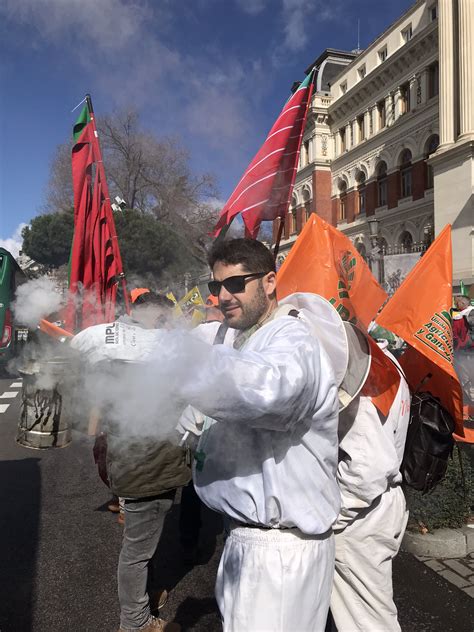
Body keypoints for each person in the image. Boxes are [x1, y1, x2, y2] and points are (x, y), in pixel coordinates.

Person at [72, 239, 353, 631]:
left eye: (237, 283)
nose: (223, 296)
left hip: (283, 548)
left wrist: (149, 347)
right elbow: (187, 346)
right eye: (216, 286)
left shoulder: (293, 338)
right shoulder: (233, 334)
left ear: (270, 282)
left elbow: (267, 390)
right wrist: (126, 340)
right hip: (247, 540)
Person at [103, 292, 189, 632]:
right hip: (147, 468)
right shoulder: (143, 358)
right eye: (163, 319)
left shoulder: (116, 352)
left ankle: (148, 597)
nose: (168, 326)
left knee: (142, 546)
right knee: (137, 552)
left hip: (138, 466)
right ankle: (136, 622)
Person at [330, 345, 411, 632]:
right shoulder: (382, 356)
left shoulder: (359, 367)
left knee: (367, 621)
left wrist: (326, 518)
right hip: (377, 504)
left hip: (359, 515)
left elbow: (365, 469)